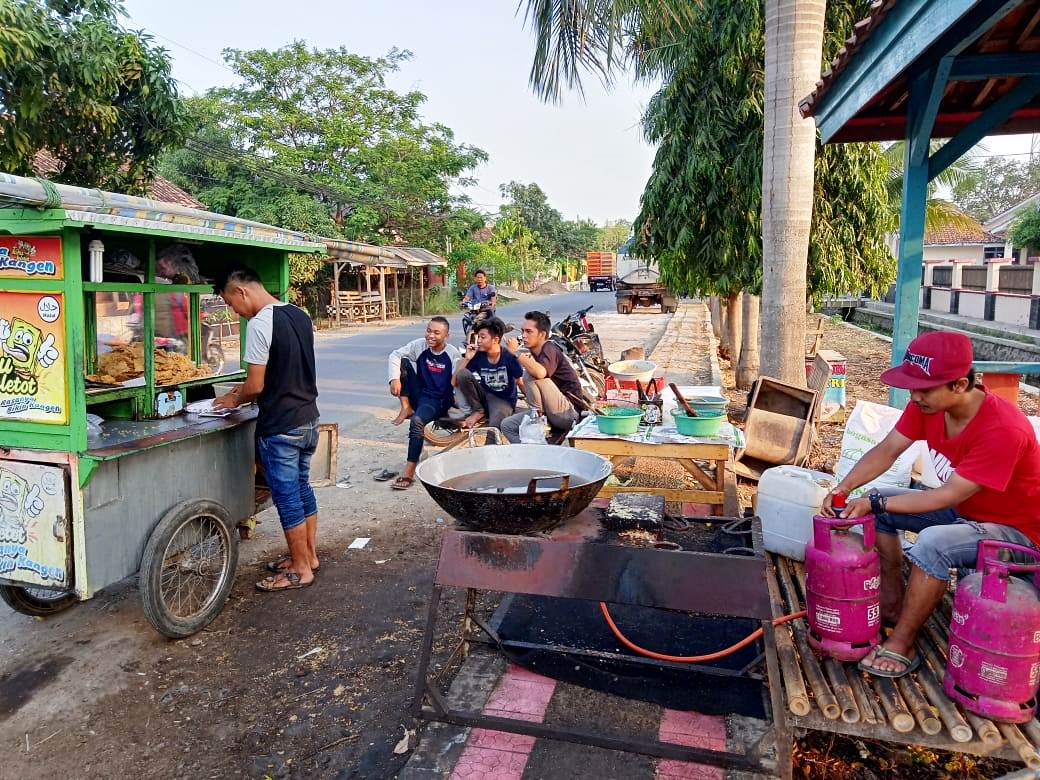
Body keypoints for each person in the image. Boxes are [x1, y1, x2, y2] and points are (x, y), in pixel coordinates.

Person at [823, 331, 1040, 678]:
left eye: (924, 389)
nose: (914, 396)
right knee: (882, 508)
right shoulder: (928, 407)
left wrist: (874, 502)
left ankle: (903, 642)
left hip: (1017, 534)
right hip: (966, 513)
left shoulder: (1003, 428)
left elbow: (947, 495)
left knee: (932, 543)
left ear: (959, 385)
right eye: (912, 387)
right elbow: (888, 449)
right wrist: (845, 487)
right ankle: (893, 606)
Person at [212, 265, 321, 593]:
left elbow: (256, 384)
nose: (235, 312)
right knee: (302, 489)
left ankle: (301, 569)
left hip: (281, 426)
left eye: (231, 304)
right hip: (308, 418)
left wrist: (233, 398)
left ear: (241, 291)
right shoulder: (299, 314)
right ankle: (308, 557)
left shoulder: (260, 324)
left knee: (287, 497)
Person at [387, 317, 462, 489]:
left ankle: (409, 472)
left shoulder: (452, 354)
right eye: (429, 330)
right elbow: (395, 355)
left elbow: (456, 384)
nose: (431, 336)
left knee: (417, 422)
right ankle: (406, 406)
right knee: (402, 362)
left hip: (440, 400)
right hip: (422, 394)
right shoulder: (420, 345)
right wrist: (394, 379)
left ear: (446, 335)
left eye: (437, 333)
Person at [500, 311, 584, 443]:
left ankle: (538, 420)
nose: (523, 336)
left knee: (531, 373)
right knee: (507, 425)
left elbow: (539, 373)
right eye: (523, 331)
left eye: (529, 332)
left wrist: (515, 352)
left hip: (568, 414)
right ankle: (534, 453)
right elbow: (531, 390)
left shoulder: (549, 348)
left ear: (542, 334)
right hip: (550, 412)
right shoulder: (534, 354)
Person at [454, 317, 523, 431]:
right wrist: (467, 358)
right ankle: (479, 410)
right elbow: (455, 381)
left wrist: (534, 406)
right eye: (478, 337)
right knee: (463, 373)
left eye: (482, 337)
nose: (478, 341)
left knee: (494, 428)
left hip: (502, 401)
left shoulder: (508, 357)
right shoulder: (479, 355)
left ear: (495, 339)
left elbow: (520, 381)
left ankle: (489, 447)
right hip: (484, 396)